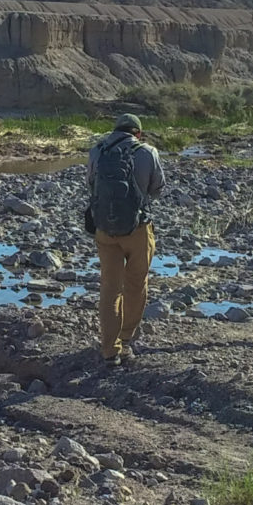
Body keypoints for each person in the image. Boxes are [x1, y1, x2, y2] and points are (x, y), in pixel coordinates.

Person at [87, 113, 165, 365]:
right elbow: (157, 188)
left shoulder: (97, 150)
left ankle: (110, 350)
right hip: (138, 228)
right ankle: (126, 338)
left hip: (104, 229)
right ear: (138, 133)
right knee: (136, 284)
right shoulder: (147, 151)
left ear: (115, 130)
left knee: (110, 288)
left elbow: (91, 184)